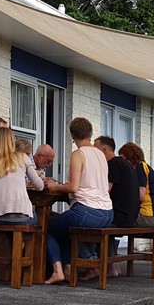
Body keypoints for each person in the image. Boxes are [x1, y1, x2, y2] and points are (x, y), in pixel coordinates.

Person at [42, 118, 113, 284]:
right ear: (90, 134)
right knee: (64, 228)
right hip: (107, 213)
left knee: (45, 227)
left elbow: (73, 187)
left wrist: (54, 186)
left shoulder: (78, 154)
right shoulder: (101, 155)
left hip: (86, 212)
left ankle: (57, 270)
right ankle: (69, 270)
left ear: (72, 135)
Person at [0, 127, 44, 258]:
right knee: (34, 218)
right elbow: (40, 186)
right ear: (11, 142)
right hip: (21, 216)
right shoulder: (22, 157)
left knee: (7, 222)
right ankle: (18, 255)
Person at [89, 135, 140, 279]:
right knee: (101, 221)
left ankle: (91, 264)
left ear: (104, 150)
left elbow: (105, 191)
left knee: (93, 223)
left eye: (96, 148)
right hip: (129, 216)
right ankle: (114, 267)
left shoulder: (112, 164)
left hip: (120, 217)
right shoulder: (124, 164)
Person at [119, 141, 154, 228]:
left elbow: (140, 195)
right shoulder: (145, 167)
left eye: (123, 159)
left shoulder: (140, 167)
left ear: (130, 158)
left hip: (146, 215)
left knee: (116, 220)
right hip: (153, 216)